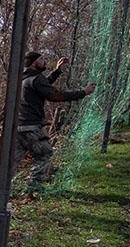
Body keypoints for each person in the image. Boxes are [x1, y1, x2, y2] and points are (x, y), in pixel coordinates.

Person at [15, 52, 95, 188]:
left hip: (18, 126)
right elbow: (55, 95)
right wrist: (83, 92)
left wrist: (57, 71)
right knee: (44, 153)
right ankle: (33, 187)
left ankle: (0, 188)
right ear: (34, 62)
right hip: (32, 127)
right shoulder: (36, 79)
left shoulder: (24, 78)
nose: (44, 61)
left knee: (12, 160)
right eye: (41, 59)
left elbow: (43, 86)